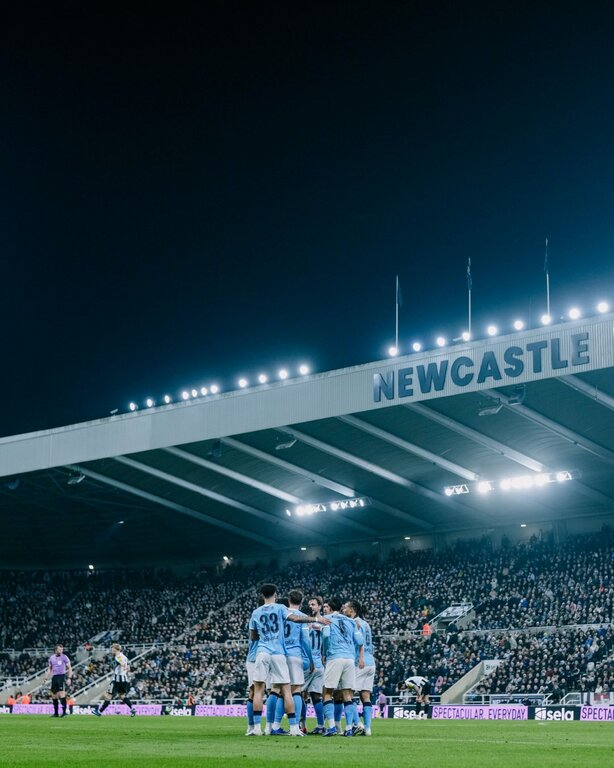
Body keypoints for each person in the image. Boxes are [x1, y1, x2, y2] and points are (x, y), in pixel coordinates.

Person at [249, 583, 328, 736]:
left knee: (261, 690)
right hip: (280, 653)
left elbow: (253, 636)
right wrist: (315, 619)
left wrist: (265, 637)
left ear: (262, 595)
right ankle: (293, 727)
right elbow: (296, 619)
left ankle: (260, 728)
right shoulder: (280, 608)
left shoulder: (256, 612)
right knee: (289, 691)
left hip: (262, 652)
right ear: (276, 595)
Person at [321, 597, 363, 737]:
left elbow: (326, 636)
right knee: (347, 694)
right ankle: (349, 728)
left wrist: (325, 653)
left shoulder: (326, 618)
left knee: (327, 692)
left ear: (330, 607)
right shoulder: (351, 621)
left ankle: (332, 727)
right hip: (349, 659)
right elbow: (360, 640)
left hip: (335, 657)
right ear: (340, 608)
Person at [343, 600, 376, 736]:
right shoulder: (366, 624)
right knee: (365, 696)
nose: (343, 609)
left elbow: (359, 642)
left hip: (360, 662)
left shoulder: (354, 623)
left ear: (352, 610)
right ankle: (368, 729)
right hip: (371, 662)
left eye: (346, 608)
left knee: (348, 694)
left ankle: (357, 724)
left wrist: (360, 659)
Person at [92, 643, 136, 717]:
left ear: (116, 649)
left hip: (117, 680)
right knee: (122, 696)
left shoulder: (118, 656)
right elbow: (128, 667)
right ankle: (132, 708)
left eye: (112, 648)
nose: (111, 650)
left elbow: (122, 663)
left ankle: (100, 712)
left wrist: (124, 666)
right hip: (124, 679)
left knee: (109, 695)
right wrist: (125, 667)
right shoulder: (124, 656)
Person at [303, 596, 326, 735]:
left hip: (310, 662)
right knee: (315, 695)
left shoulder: (305, 622)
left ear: (320, 606)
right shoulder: (324, 622)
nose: (311, 606)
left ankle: (302, 725)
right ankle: (320, 725)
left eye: (313, 604)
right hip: (318, 664)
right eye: (309, 604)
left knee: (302, 694)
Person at [46, 644, 72, 717]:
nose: (61, 651)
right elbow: (49, 668)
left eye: (62, 649)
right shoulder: (52, 658)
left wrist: (69, 678)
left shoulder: (64, 657)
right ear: (56, 650)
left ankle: (64, 713)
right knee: (54, 695)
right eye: (60, 649)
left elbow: (69, 668)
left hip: (61, 676)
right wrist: (45, 677)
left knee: (62, 694)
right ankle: (56, 713)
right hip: (54, 677)